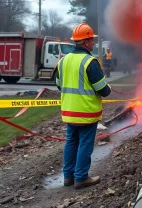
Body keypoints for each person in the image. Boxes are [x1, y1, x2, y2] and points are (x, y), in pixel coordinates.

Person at [55, 23, 111, 189]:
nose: (93, 43)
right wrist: (108, 88)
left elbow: (59, 85)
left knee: (71, 143)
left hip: (69, 112)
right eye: (92, 40)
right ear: (85, 42)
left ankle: (68, 177)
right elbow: (103, 90)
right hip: (86, 113)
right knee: (85, 144)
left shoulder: (63, 61)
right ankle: (81, 178)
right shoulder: (90, 62)